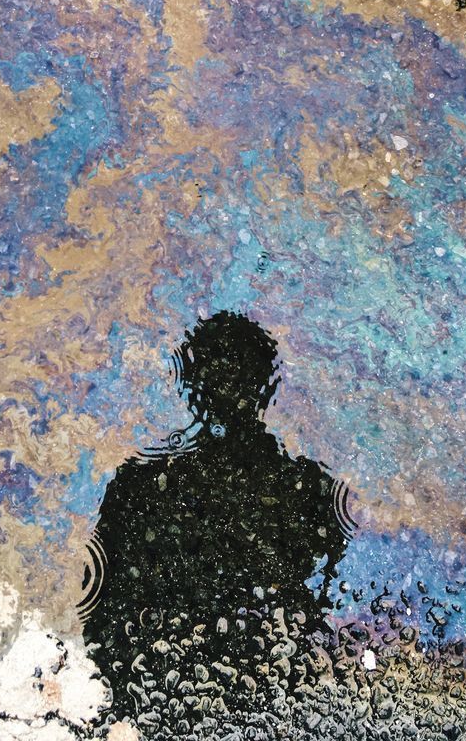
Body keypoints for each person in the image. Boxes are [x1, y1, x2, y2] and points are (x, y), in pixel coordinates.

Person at [81, 310, 352, 729]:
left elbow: (101, 624)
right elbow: (325, 604)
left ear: (188, 386)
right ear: (267, 390)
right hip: (267, 701)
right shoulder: (311, 492)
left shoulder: (139, 486)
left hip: (167, 703)